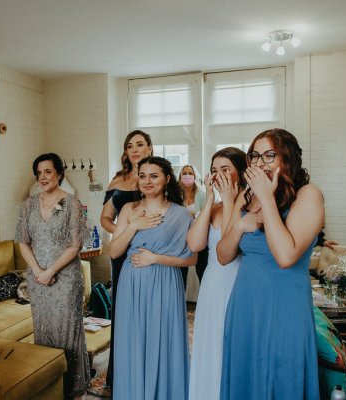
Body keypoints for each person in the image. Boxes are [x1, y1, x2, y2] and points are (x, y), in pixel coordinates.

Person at [217, 129, 323, 399]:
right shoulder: (245, 198)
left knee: (280, 374)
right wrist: (240, 224)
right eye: (255, 156)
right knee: (245, 374)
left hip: (284, 306)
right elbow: (223, 255)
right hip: (244, 305)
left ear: (288, 159)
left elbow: (286, 256)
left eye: (269, 155)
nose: (260, 162)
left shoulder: (307, 195)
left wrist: (266, 197)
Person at [110, 156, 197, 399]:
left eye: (154, 175)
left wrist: (156, 259)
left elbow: (192, 259)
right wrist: (133, 226)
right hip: (132, 284)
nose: (147, 181)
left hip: (165, 283)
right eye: (143, 175)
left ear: (167, 179)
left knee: (162, 341)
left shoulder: (182, 215)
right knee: (133, 342)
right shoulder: (129, 210)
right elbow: (115, 251)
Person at [15, 153, 90, 400]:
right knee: (44, 330)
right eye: (39, 172)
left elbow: (75, 245)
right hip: (37, 281)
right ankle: (50, 385)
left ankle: (72, 387)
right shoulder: (28, 205)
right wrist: (38, 271)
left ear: (59, 173)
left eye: (48, 171)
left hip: (65, 278)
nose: (42, 177)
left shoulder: (73, 203)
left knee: (67, 330)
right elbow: (23, 242)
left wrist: (50, 271)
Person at [187, 147, 248, 400]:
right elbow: (195, 244)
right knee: (210, 343)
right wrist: (211, 200)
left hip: (237, 281)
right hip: (212, 283)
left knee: (229, 344)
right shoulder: (213, 207)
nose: (219, 175)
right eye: (214, 170)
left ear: (240, 172)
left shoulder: (250, 203)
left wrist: (232, 201)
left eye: (225, 169)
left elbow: (228, 250)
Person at [99, 130, 152, 392]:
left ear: (150, 148)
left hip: (151, 251)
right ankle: (117, 377)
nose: (134, 149)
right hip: (122, 252)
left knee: (148, 310)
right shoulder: (118, 179)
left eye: (140, 144)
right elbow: (106, 218)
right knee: (122, 311)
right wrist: (122, 230)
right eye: (130, 145)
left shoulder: (156, 175)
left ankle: (149, 371)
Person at [179, 165, 209, 287]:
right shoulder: (175, 194)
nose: (187, 175)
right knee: (181, 273)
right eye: (184, 173)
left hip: (199, 237)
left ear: (194, 176)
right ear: (180, 176)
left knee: (202, 270)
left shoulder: (201, 194)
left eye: (190, 173)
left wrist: (191, 214)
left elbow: (205, 214)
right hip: (180, 238)